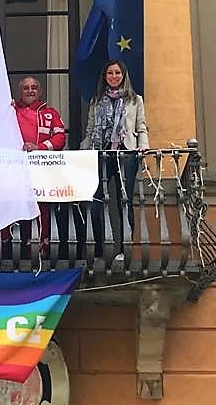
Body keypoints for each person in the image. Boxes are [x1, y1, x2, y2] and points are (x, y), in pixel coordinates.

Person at [80, 60, 149, 259]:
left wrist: (143, 144)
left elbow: (141, 126)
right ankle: (99, 247)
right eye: (110, 73)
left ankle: (123, 248)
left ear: (123, 76)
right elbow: (90, 129)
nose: (114, 76)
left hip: (125, 152)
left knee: (123, 200)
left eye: (117, 73)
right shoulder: (96, 100)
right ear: (105, 76)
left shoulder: (135, 100)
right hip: (100, 154)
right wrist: (82, 151)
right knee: (95, 199)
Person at [12, 76, 67, 257]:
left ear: (40, 91)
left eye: (34, 87)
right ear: (20, 92)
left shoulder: (50, 113)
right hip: (13, 170)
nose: (30, 90)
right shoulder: (9, 112)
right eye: (26, 88)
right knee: (12, 205)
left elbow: (60, 139)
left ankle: (41, 250)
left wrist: (39, 147)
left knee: (40, 208)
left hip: (41, 170)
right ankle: (10, 250)